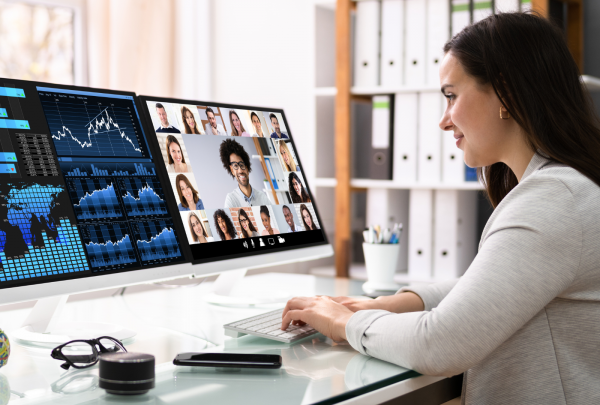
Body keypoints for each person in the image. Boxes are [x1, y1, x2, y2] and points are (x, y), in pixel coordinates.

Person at [280, 12, 600, 404]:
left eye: (451, 96)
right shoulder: (567, 186)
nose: (443, 121)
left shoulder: (554, 199)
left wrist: (344, 322)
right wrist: (394, 304)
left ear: (506, 94)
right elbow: (494, 286)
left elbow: (439, 343)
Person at [220, 138, 271, 208]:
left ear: (247, 168)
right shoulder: (231, 200)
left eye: (242, 165)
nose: (240, 170)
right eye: (235, 166)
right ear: (232, 170)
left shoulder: (262, 196)